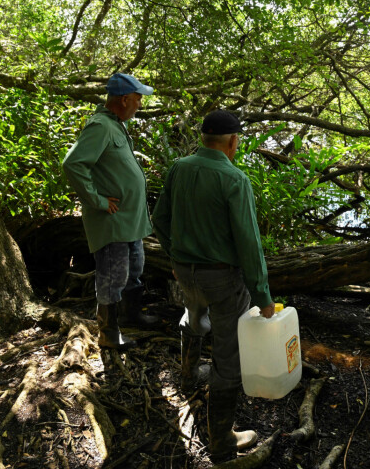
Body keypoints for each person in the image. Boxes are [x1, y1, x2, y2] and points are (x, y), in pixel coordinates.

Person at [152, 109, 275, 464]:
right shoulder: (234, 179)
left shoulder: (180, 167)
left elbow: (160, 218)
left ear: (203, 137)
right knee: (228, 356)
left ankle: (188, 373)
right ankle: (222, 439)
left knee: (193, 316)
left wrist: (176, 257)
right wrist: (263, 295)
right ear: (233, 141)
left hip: (185, 273)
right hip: (222, 279)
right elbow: (249, 245)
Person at [62, 72, 159, 350]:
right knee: (112, 276)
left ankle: (132, 316)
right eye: (138, 99)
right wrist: (98, 201)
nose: (140, 104)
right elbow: (73, 164)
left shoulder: (116, 125)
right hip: (112, 220)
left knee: (135, 270)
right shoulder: (101, 126)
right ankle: (109, 333)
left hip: (130, 220)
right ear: (125, 99)